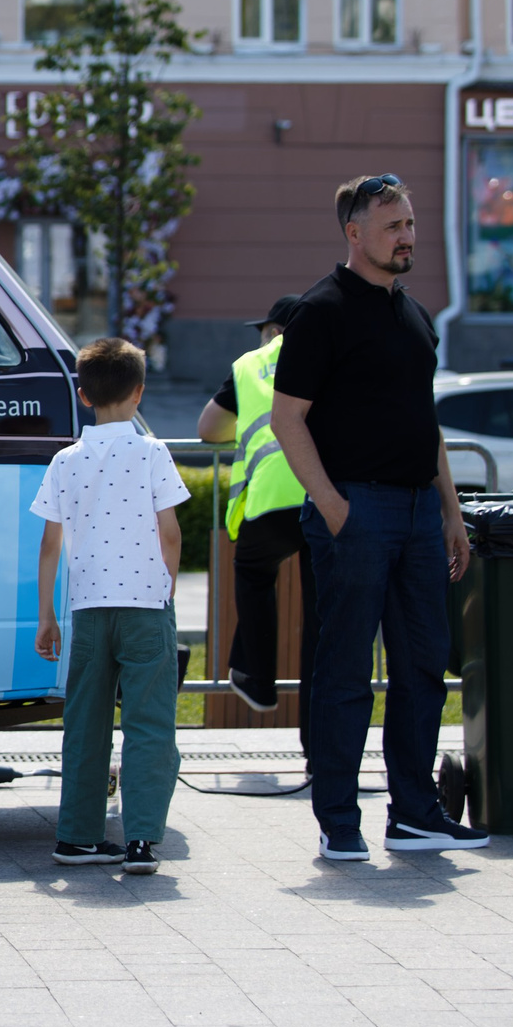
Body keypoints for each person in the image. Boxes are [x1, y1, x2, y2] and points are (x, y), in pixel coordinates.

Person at [269, 174, 487, 860]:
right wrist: (335, 507)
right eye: (394, 226)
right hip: (356, 511)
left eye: (412, 224)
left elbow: (428, 423)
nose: (408, 237)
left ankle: (416, 812)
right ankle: (339, 820)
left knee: (424, 664)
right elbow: (287, 419)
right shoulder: (321, 310)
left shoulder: (414, 314)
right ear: (354, 232)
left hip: (422, 512)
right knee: (345, 672)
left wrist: (451, 510)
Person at [34, 338, 192, 876]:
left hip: (87, 605)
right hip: (146, 602)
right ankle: (142, 841)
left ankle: (76, 837)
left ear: (83, 395)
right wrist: (165, 588)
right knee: (150, 723)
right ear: (139, 392)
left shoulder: (64, 460)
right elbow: (170, 534)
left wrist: (46, 616)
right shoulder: (153, 452)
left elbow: (50, 544)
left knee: (85, 720)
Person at [197, 297, 313, 714]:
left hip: (270, 500)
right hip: (326, 498)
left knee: (253, 572)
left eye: (265, 329)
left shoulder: (249, 365)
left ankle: (257, 678)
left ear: (277, 330)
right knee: (321, 618)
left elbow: (209, 429)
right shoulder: (331, 354)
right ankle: (320, 752)